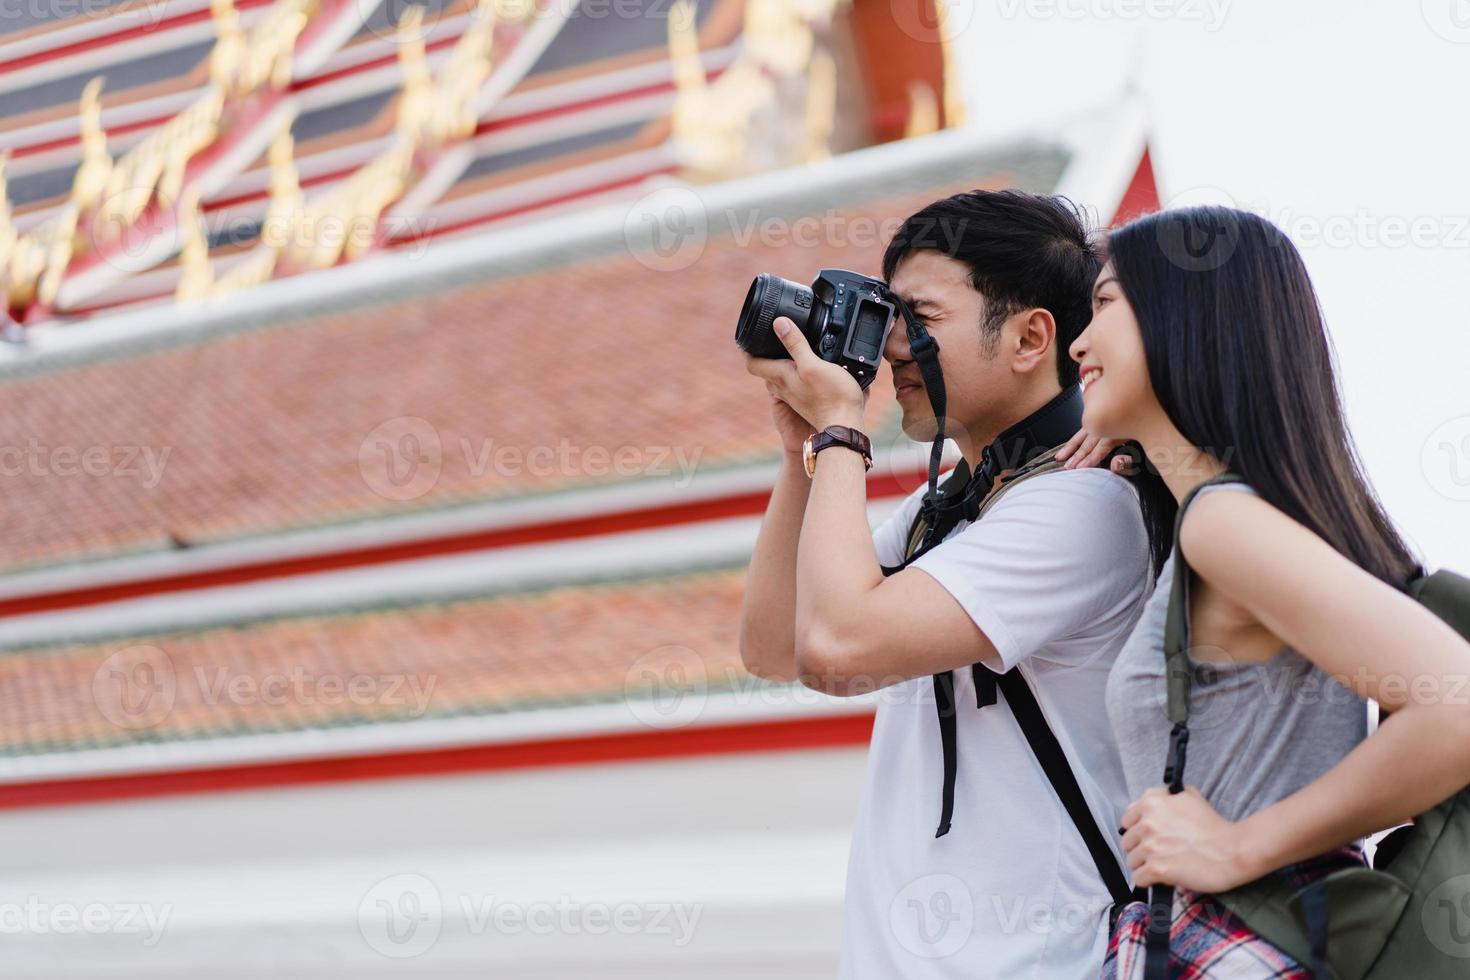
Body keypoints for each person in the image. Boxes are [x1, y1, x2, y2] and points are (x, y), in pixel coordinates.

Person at [740, 190, 1167, 978]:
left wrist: (843, 433)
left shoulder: (1084, 509)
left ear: (1031, 337)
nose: (892, 347)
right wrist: (804, 447)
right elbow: (774, 645)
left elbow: (837, 649)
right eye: (886, 316)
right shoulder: (948, 509)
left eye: (920, 319)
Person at [1063, 205, 1470, 978]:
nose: (1080, 341)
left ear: (1187, 319)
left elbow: (1456, 701)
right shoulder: (1226, 521)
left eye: (1106, 303)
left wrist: (1232, 847)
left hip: (1238, 941)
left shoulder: (1223, 523)